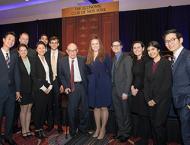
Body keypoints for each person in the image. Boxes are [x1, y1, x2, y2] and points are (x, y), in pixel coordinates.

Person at [163, 29, 190, 145]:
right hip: (178, 102)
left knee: (186, 134)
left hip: (186, 102)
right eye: (166, 41)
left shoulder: (187, 56)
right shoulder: (173, 58)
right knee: (185, 132)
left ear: (181, 40)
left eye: (172, 39)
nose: (169, 43)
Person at [144, 41, 172, 145]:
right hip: (150, 100)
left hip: (162, 100)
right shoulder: (148, 65)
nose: (151, 52)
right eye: (149, 50)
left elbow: (167, 84)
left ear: (158, 50)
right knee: (153, 124)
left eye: (153, 49)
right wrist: (148, 99)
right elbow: (146, 84)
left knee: (159, 125)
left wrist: (155, 100)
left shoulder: (166, 63)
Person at [59, 43, 89, 137]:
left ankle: (83, 129)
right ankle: (73, 131)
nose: (72, 52)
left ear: (77, 51)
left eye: (74, 50)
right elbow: (61, 75)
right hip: (71, 87)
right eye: (70, 50)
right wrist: (65, 86)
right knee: (72, 111)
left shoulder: (83, 59)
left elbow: (89, 72)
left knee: (85, 110)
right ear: (67, 51)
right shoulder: (62, 61)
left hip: (82, 86)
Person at [86, 36, 112, 139]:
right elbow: (88, 72)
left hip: (104, 85)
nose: (95, 45)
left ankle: (103, 129)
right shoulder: (88, 56)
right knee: (96, 108)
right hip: (93, 85)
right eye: (93, 44)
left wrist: (107, 83)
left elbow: (110, 72)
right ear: (91, 46)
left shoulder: (105, 56)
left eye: (97, 43)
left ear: (100, 44)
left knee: (104, 107)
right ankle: (97, 128)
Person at [0, 32, 21, 145]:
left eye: (13, 40)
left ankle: (8, 136)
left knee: (10, 115)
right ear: (4, 40)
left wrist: (18, 90)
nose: (11, 41)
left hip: (12, 92)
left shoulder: (14, 55)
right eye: (9, 39)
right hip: (0, 91)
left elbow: (16, 73)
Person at [111, 40, 133, 143]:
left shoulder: (127, 57)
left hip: (123, 91)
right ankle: (121, 132)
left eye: (117, 45)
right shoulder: (114, 58)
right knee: (118, 113)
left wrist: (126, 91)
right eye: (113, 46)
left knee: (125, 113)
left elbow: (129, 76)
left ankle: (126, 133)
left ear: (121, 46)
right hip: (114, 90)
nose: (115, 47)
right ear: (111, 48)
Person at [31, 41, 53, 139]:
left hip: (48, 87)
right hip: (39, 89)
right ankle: (37, 129)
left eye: (43, 48)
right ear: (36, 50)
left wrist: (50, 86)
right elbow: (34, 76)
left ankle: (41, 129)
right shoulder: (34, 60)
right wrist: (43, 88)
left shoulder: (46, 59)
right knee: (38, 110)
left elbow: (50, 74)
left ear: (45, 49)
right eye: (39, 48)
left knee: (44, 109)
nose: (41, 49)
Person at [131, 41, 150, 145]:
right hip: (135, 91)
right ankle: (142, 137)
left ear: (143, 48)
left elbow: (146, 77)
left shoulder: (147, 60)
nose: (136, 49)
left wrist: (137, 88)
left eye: (139, 47)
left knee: (144, 116)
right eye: (134, 48)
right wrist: (132, 87)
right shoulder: (134, 60)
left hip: (143, 91)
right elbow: (134, 76)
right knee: (139, 115)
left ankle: (145, 140)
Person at [45, 36, 64, 132]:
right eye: (52, 42)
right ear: (49, 44)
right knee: (49, 104)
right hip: (48, 82)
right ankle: (50, 125)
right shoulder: (45, 54)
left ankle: (59, 125)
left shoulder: (63, 55)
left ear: (58, 44)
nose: (54, 44)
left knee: (58, 105)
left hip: (58, 82)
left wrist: (63, 84)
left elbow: (64, 71)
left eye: (55, 42)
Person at [17, 44, 34, 138]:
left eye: (25, 50)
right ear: (18, 52)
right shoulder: (17, 61)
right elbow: (16, 77)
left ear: (27, 51)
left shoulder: (30, 60)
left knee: (29, 109)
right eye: (21, 50)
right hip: (22, 89)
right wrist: (17, 90)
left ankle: (27, 129)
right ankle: (23, 130)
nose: (23, 52)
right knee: (23, 110)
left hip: (31, 88)